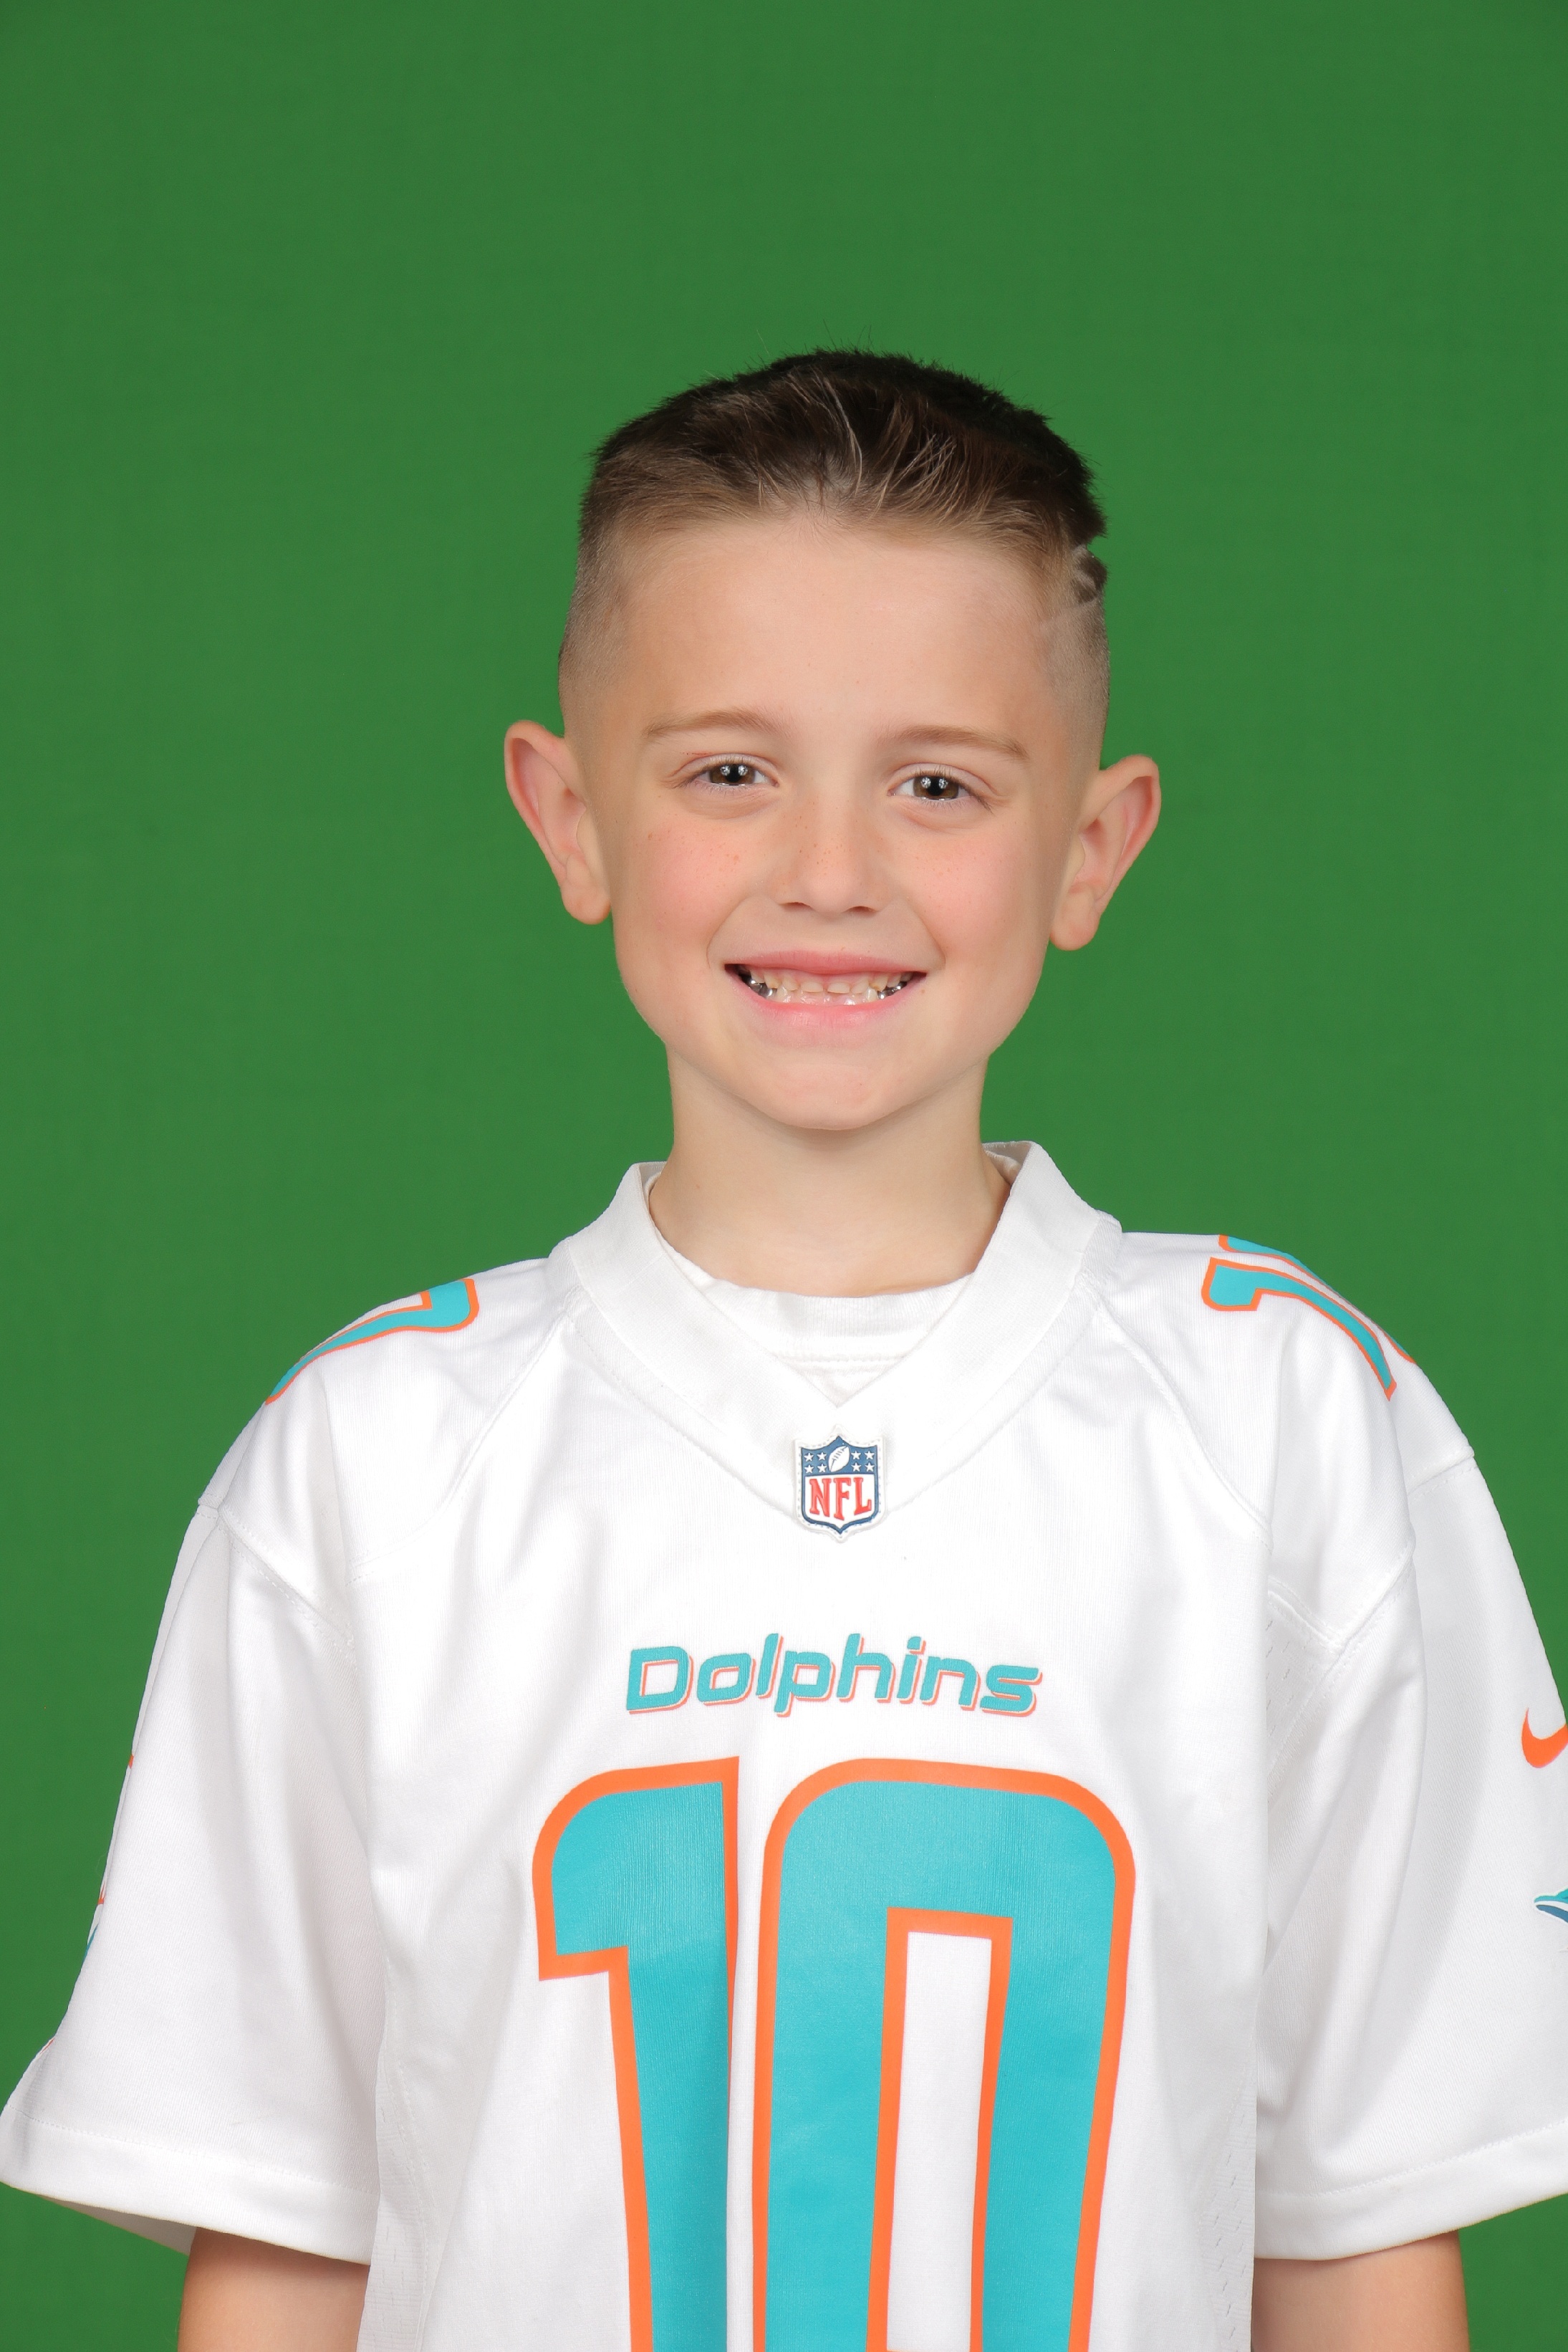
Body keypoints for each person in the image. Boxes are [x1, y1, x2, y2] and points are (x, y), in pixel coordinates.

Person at [2, 352, 1564, 2352]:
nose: (832, 869)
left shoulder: (1291, 1426)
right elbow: (286, 2231)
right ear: (570, 815)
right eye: (731, 772)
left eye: (939, 783)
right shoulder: (370, 1462)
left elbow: (1358, 2226)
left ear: (1093, 844)